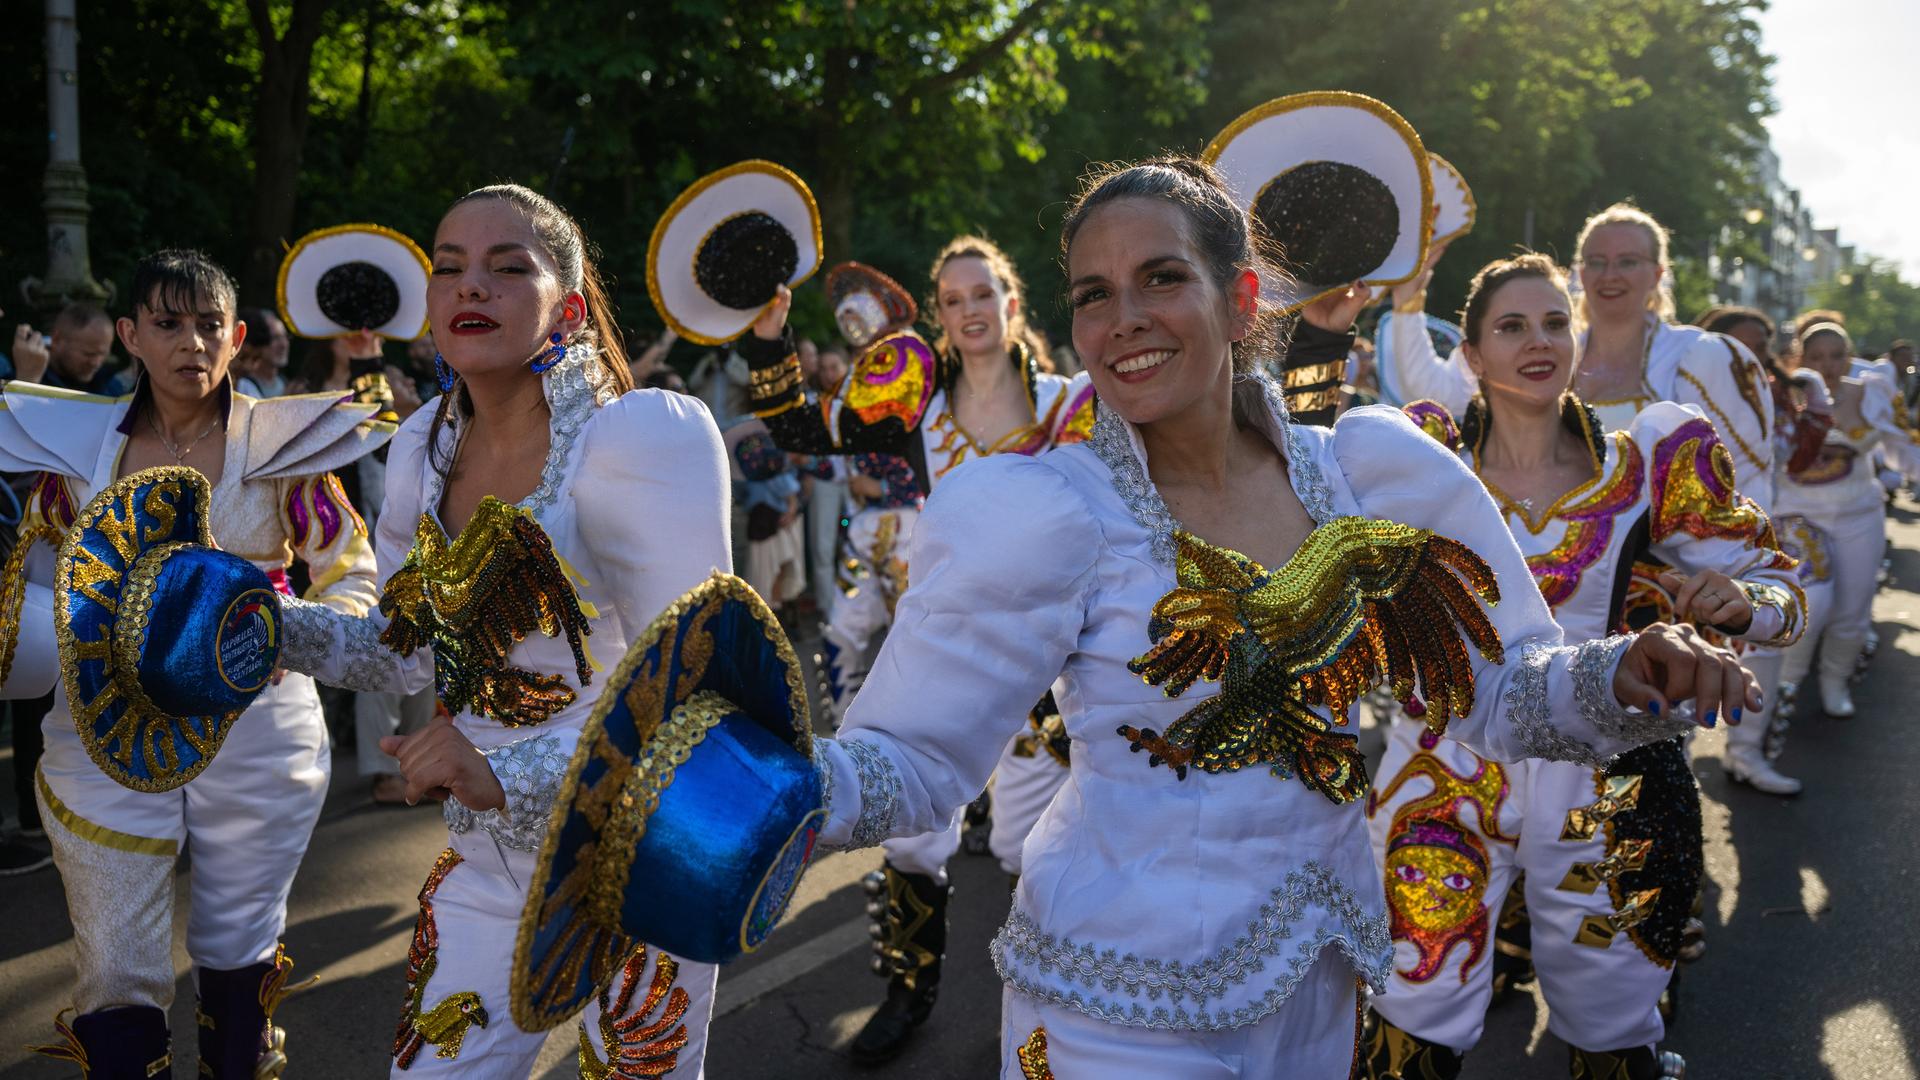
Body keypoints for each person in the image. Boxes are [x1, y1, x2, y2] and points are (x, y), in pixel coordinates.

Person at [769, 156, 1757, 1078]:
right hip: (1114, 996)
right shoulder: (1046, 511)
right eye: (1093, 295)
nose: (1124, 320)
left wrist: (1624, 670)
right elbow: (917, 760)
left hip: (1318, 979)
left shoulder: (1372, 473)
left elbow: (1500, 690)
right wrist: (758, 788)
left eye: (1161, 278)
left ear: (1242, 300)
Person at [267, 183, 731, 1078]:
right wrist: (265, 625)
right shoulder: (418, 450)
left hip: (640, 867)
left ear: (574, 301)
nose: (468, 288)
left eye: (507, 269)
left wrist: (501, 769)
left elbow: (697, 698)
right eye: (448, 270)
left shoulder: (638, 438)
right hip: (487, 868)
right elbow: (400, 647)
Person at [1364, 254, 1801, 1080]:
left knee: (1611, 1025)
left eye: (1555, 322)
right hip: (1443, 769)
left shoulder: (1648, 465)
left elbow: (1779, 583)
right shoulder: (1419, 464)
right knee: (1409, 1012)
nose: (1540, 342)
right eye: (1512, 326)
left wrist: (1740, 605)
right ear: (1473, 356)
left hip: (1606, 780)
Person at [5, 249, 389, 1076]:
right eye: (169, 323)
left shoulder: (288, 446)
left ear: (238, 335)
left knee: (239, 940)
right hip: (101, 730)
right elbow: (36, 589)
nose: (192, 342)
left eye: (210, 324)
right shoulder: (70, 452)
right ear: (130, 335)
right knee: (112, 958)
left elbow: (352, 572)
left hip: (257, 726)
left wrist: (292, 635)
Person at [741, 238, 1094, 1064]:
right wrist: (767, 339)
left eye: (983, 293)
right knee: (912, 837)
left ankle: (1049, 1008)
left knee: (1024, 844)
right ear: (938, 314)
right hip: (940, 652)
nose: (969, 310)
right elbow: (803, 430)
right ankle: (909, 994)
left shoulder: (1073, 406)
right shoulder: (918, 406)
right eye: (952, 299)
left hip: (1045, 666)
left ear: (1012, 303)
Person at [1700, 306, 1833, 791]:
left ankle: (1745, 754)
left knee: (1765, 645)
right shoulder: (1677, 398)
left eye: (1760, 346)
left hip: (1757, 541)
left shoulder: (1774, 397)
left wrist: (1814, 397)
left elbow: (1800, 458)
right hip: (1684, 548)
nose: (1753, 356)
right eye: (1739, 346)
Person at [1774, 321, 1916, 719]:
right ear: (1801, 358)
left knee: (1853, 609)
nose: (1827, 366)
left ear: (1849, 356)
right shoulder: (1783, 396)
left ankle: (1834, 682)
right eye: (1816, 357)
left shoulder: (1873, 392)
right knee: (1808, 606)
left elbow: (1901, 447)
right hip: (1797, 516)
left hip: (1858, 515)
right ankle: (1786, 684)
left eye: (1836, 356)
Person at [234, 306, 292, 397]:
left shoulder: (286, 383)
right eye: (276, 338)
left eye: (285, 336)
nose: (284, 345)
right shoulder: (242, 385)